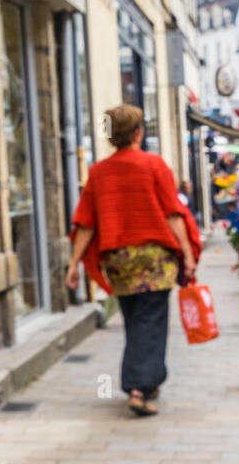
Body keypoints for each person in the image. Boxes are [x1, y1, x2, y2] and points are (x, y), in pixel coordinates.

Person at [65, 104, 196, 417]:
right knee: (151, 323)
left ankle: (149, 381)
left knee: (136, 321)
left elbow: (86, 223)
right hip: (155, 259)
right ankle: (138, 388)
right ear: (138, 133)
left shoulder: (97, 172)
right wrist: (188, 255)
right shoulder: (154, 165)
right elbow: (173, 214)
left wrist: (73, 263)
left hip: (119, 261)